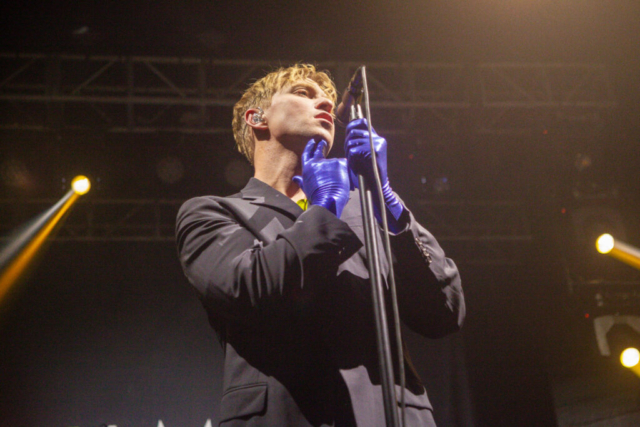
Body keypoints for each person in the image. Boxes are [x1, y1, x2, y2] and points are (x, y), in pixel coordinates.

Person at [176, 64, 465, 426]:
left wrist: (387, 198)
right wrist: (325, 208)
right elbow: (247, 288)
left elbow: (444, 311)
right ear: (257, 118)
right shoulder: (214, 213)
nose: (326, 104)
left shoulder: (368, 205)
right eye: (303, 93)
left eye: (328, 98)